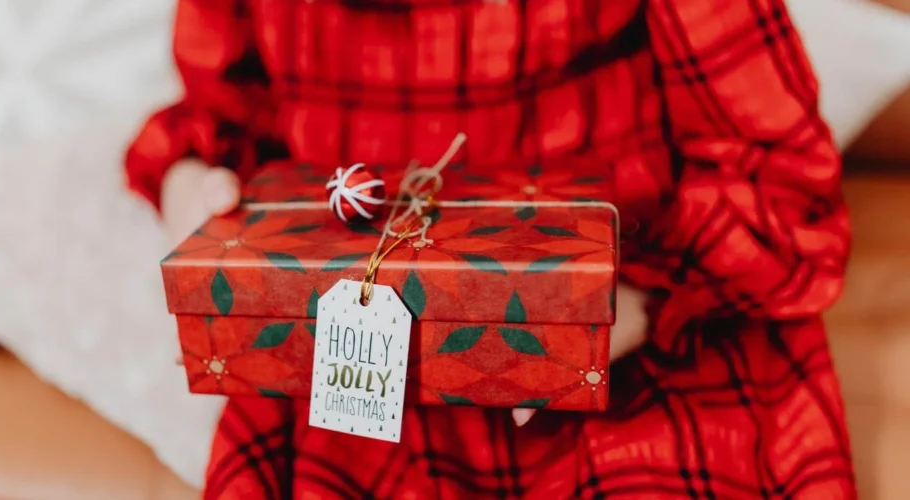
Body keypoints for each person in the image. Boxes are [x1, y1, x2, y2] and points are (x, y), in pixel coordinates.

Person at [126, 0, 855, 497]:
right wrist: (194, 182)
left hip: (641, 339)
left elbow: (780, 177)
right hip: (359, 363)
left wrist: (620, 303)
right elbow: (223, 117)